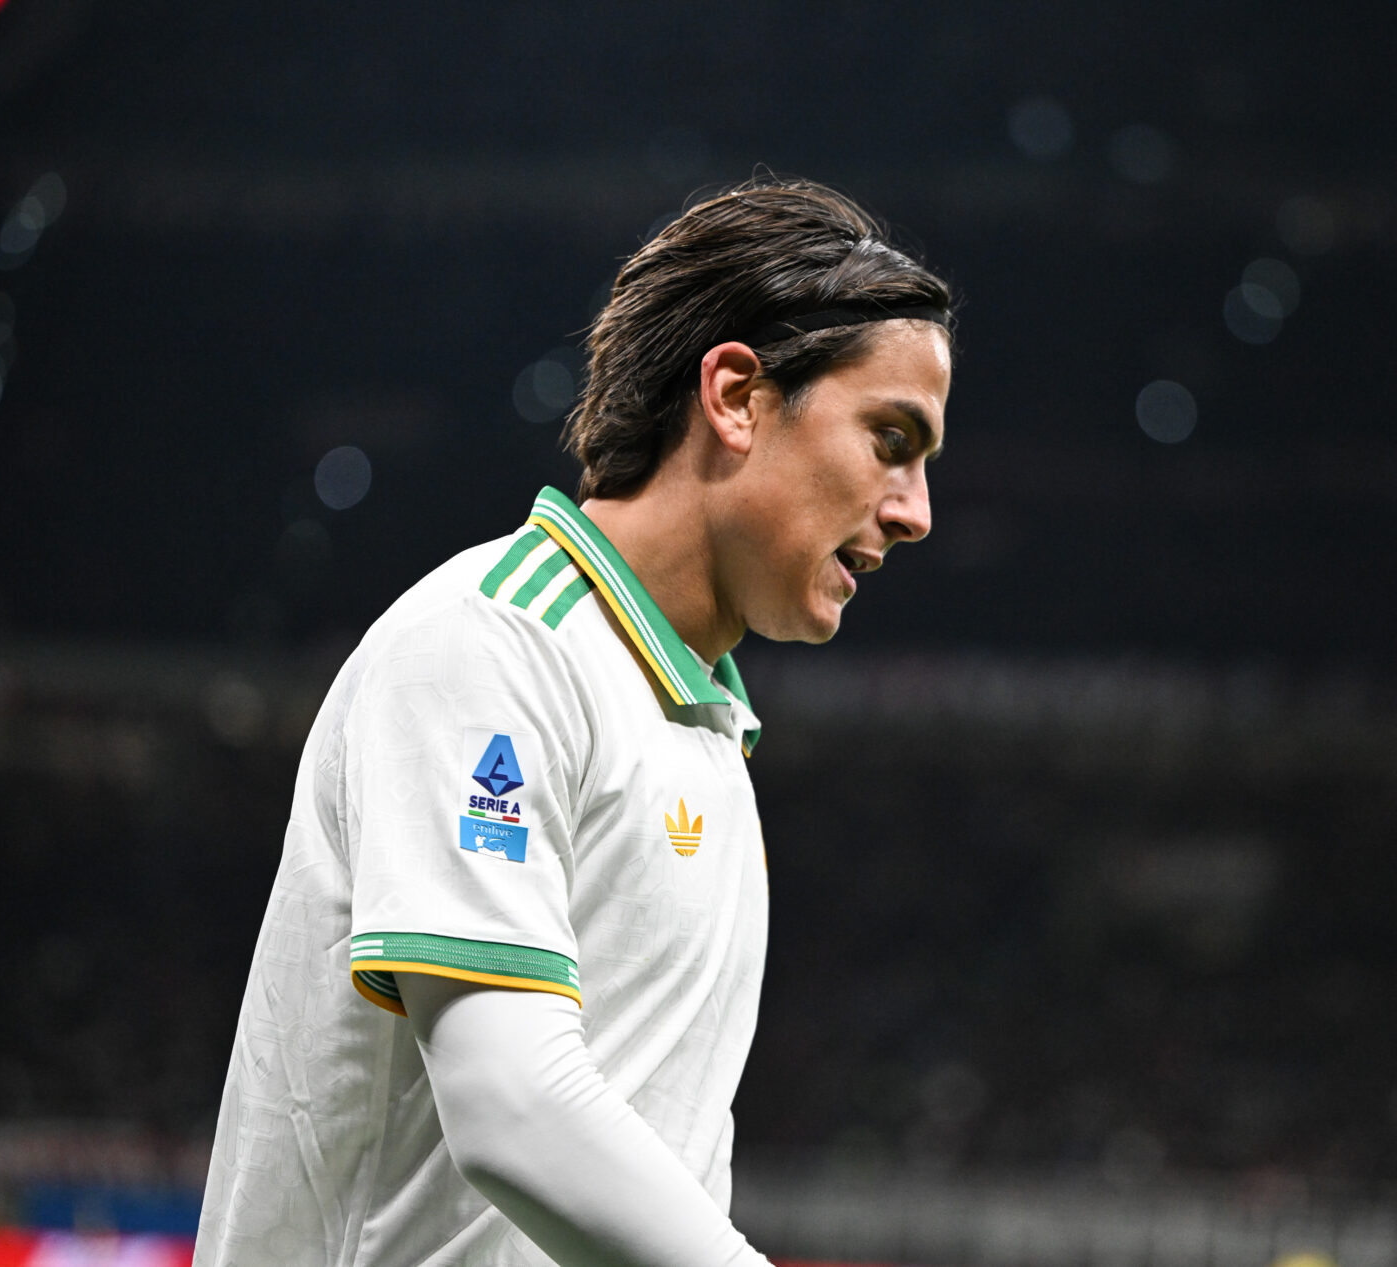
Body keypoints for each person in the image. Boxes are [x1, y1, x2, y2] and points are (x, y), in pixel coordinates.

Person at [195, 177, 955, 1267]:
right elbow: (512, 1104)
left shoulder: (705, 730)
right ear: (737, 396)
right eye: (890, 438)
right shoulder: (490, 644)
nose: (916, 511)